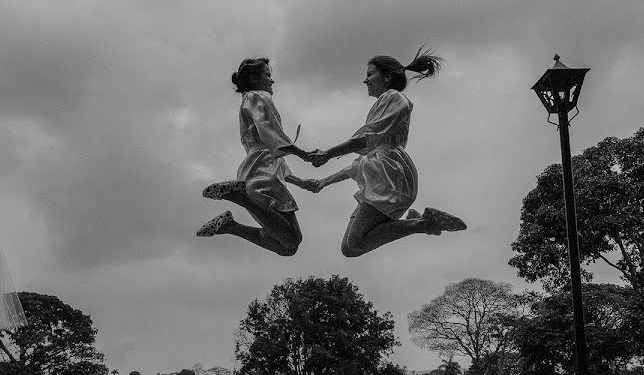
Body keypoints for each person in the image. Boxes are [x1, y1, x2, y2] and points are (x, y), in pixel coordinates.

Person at [304, 47, 466, 257]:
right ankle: (416, 222)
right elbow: (363, 159)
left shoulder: (395, 98)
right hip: (382, 176)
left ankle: (423, 223)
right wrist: (324, 181)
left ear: (387, 77)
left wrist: (328, 153)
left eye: (370, 74)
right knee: (349, 249)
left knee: (356, 243)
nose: (365, 80)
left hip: (389, 178)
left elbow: (367, 138)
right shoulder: (383, 108)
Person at [196, 58, 318, 256]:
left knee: (288, 248)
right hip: (262, 171)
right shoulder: (257, 97)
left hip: (259, 170)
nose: (272, 81)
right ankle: (236, 196)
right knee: (292, 239)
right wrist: (303, 154)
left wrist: (301, 182)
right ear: (254, 78)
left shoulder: (248, 100)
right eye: (267, 75)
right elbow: (271, 134)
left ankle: (230, 225)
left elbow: (273, 152)